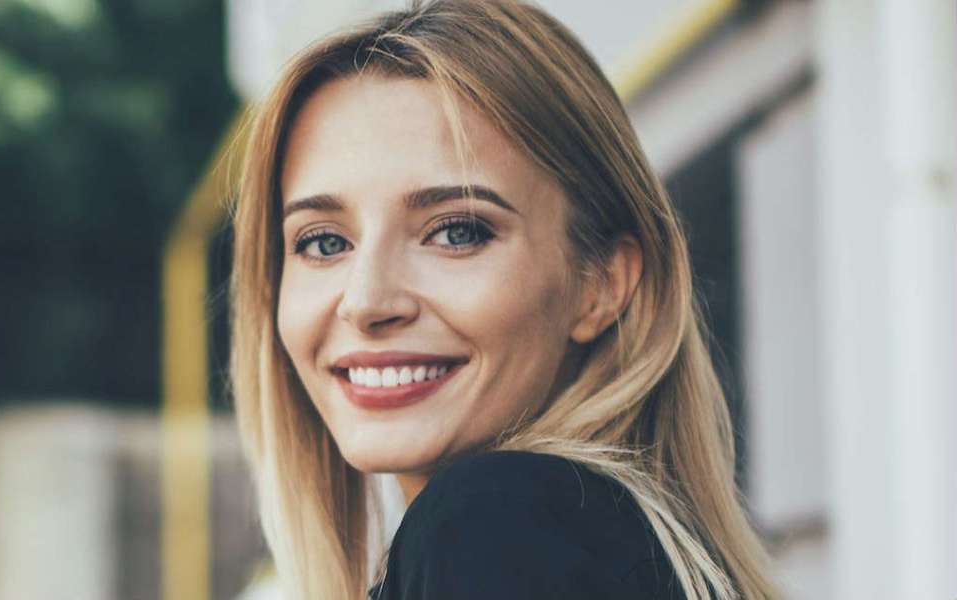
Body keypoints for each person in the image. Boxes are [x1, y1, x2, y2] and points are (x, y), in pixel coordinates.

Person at [226, 1, 778, 598]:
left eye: (457, 231)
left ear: (602, 282)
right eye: (324, 241)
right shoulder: (606, 544)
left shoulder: (495, 525)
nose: (365, 301)